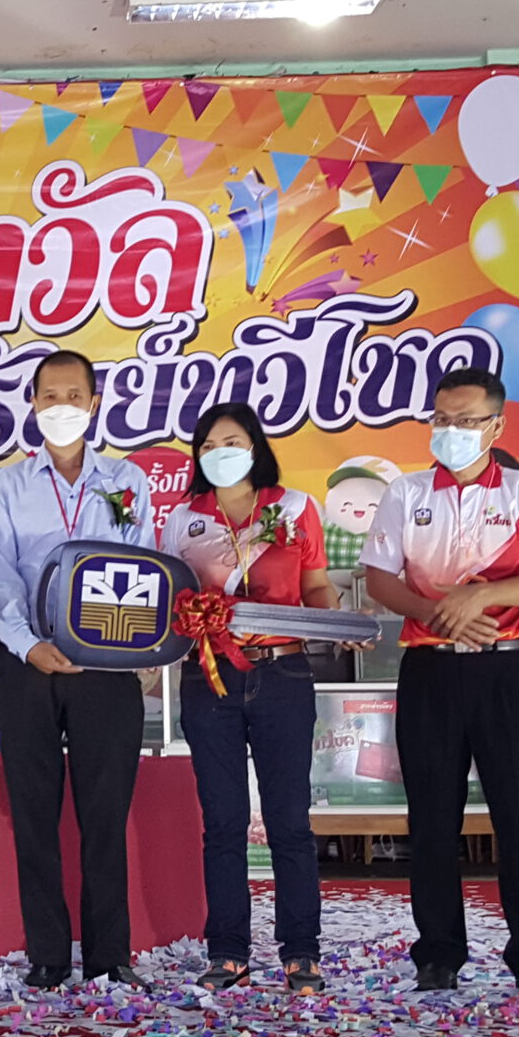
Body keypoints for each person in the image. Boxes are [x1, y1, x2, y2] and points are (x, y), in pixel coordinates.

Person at [360, 366, 519, 994]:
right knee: (432, 818)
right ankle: (438, 955)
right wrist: (440, 612)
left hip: (506, 668)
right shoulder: (405, 493)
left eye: (465, 421)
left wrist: (479, 600)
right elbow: (379, 579)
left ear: (496, 426)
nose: (450, 431)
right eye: (441, 419)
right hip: (429, 669)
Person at [0, 350, 156, 990]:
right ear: (33, 405)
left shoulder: (128, 481)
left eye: (74, 395)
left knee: (106, 815)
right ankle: (47, 955)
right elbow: (1, 579)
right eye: (50, 396)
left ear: (95, 403)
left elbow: (142, 569)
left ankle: (110, 955)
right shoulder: (5, 488)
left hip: (106, 665)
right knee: (34, 813)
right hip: (29, 664)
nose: (62, 407)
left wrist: (131, 650)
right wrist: (29, 646)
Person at [159, 401, 342, 995]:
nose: (220, 453)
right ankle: (228, 951)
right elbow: (167, 601)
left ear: (256, 446)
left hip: (282, 675)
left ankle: (301, 951)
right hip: (207, 679)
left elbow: (316, 585)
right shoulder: (182, 519)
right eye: (208, 445)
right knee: (223, 822)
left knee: (289, 821)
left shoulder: (295, 508)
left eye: (232, 442)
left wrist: (335, 621)